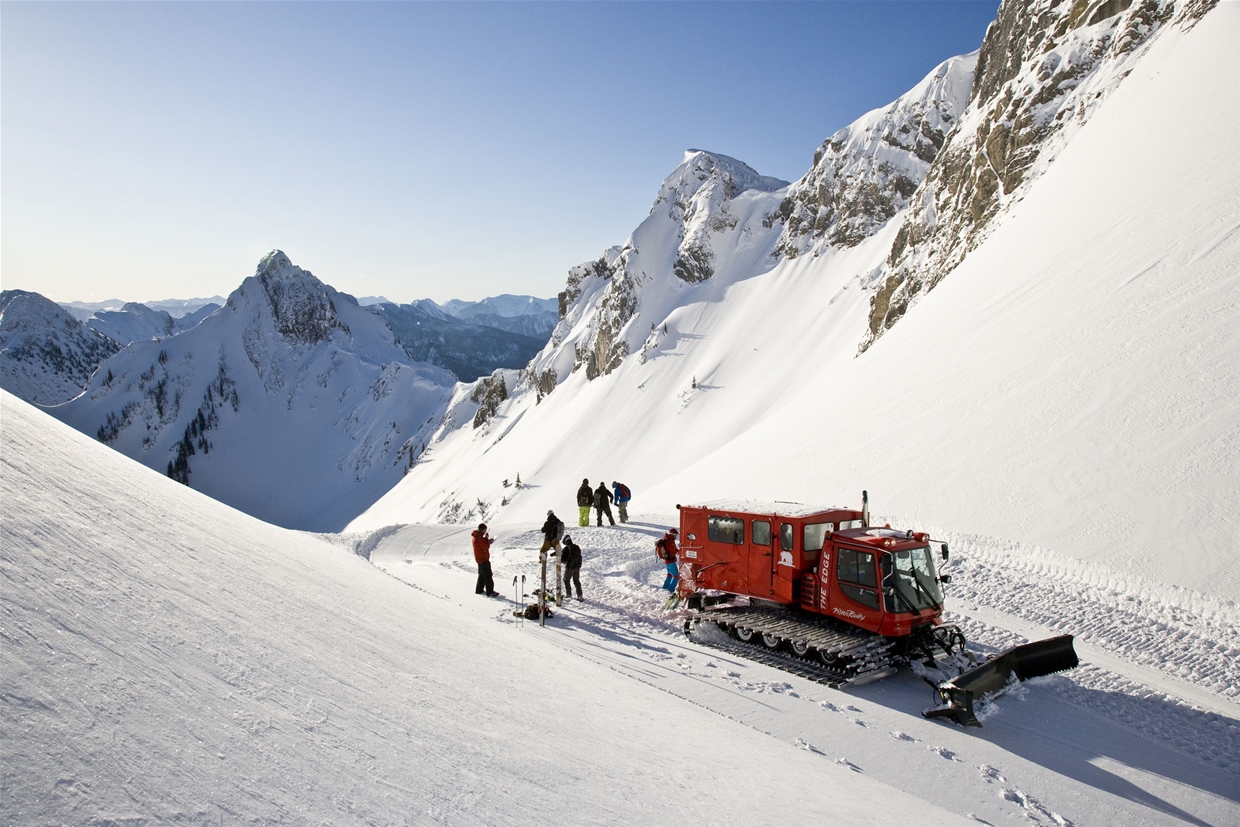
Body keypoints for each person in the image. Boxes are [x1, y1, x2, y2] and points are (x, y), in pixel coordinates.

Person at [472, 523, 497, 596]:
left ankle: (479, 590)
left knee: (482, 575)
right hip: (483, 559)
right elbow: (485, 546)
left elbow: (483, 544)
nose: (485, 532)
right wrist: (486, 539)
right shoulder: (478, 538)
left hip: (480, 559)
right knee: (488, 575)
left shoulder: (476, 536)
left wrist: (485, 539)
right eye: (485, 530)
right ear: (482, 530)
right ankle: (490, 592)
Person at [561, 534, 583, 600]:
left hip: (570, 567)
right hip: (577, 567)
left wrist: (565, 562)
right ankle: (579, 595)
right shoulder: (576, 547)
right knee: (576, 580)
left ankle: (569, 594)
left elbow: (563, 558)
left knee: (566, 580)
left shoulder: (566, 549)